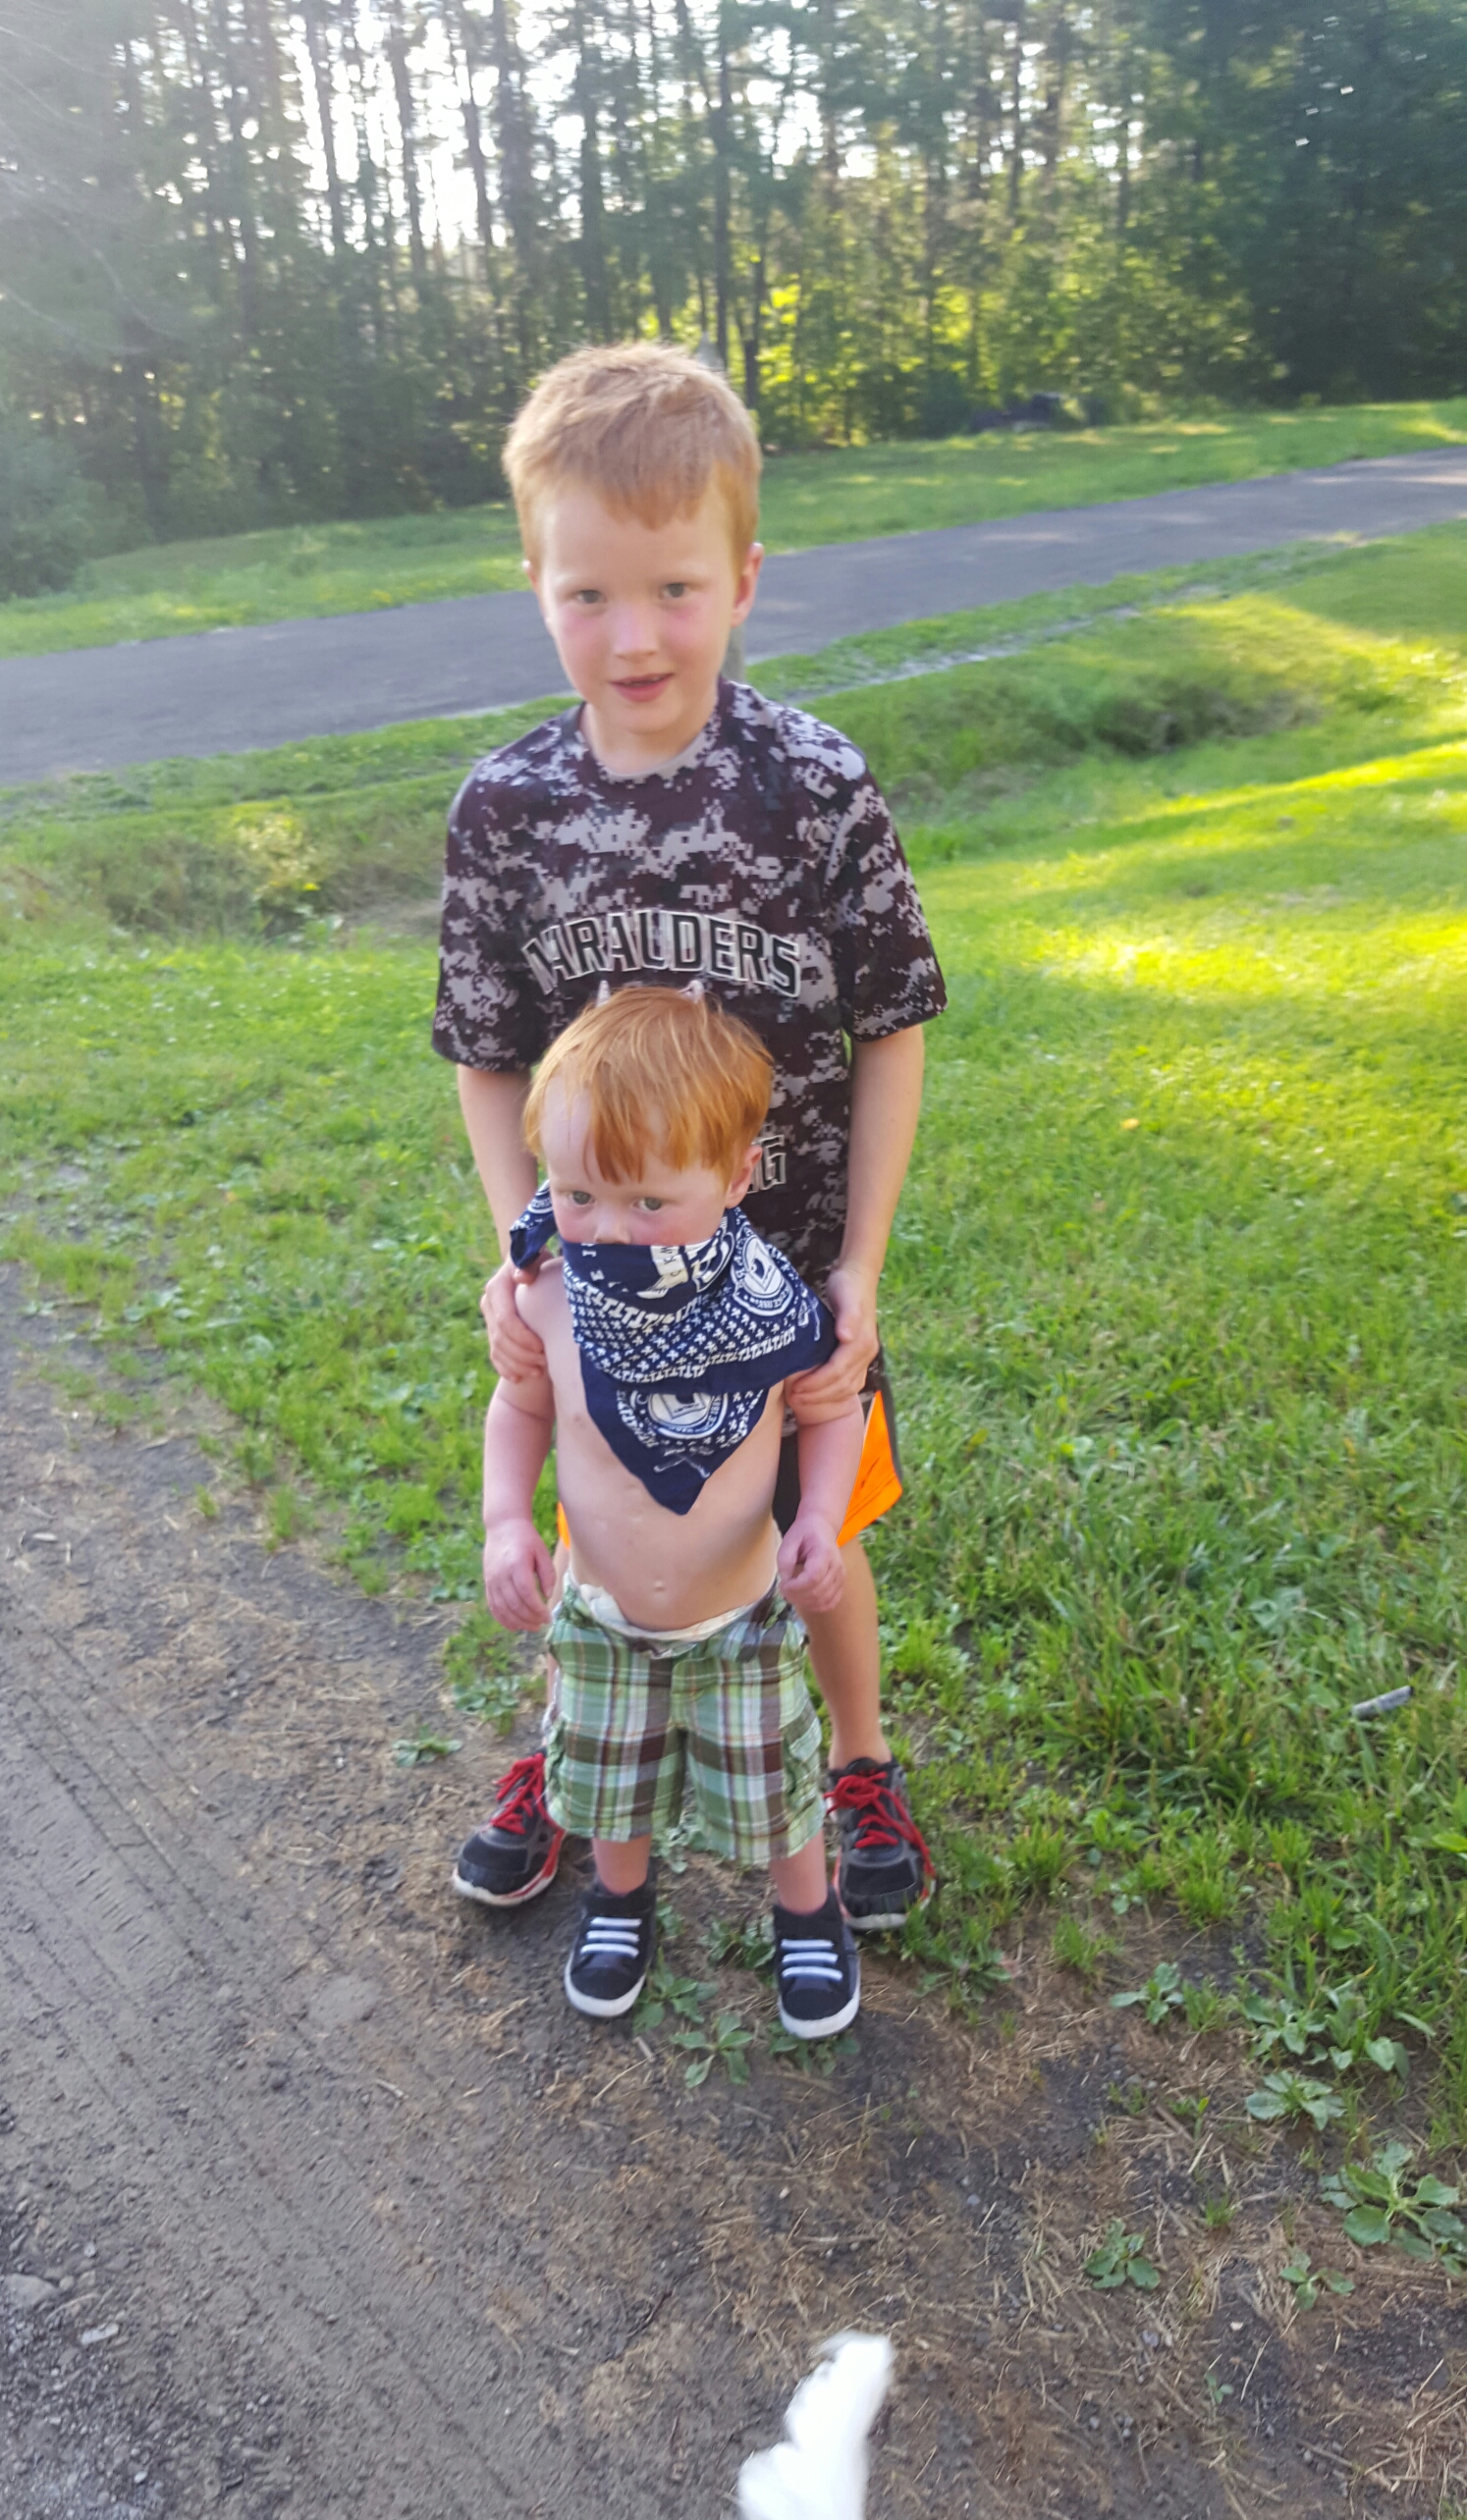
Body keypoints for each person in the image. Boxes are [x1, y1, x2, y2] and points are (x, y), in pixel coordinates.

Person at [435, 340, 946, 1934]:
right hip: (597, 1275)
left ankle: (854, 1763)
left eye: (672, 588)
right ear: (534, 581)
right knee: (596, 1520)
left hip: (781, 1278)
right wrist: (522, 1249)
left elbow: (890, 1030)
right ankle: (575, 1762)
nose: (633, 634)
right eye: (586, 594)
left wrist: (856, 1268)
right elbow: (486, 1058)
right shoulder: (506, 811)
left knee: (813, 1535)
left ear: (742, 578)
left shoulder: (812, 788)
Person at [483, 985, 867, 2033]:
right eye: (577, 1194)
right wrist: (507, 1519)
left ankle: (806, 1910)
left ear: (738, 1176)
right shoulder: (550, 1296)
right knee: (612, 1780)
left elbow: (832, 1413)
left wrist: (819, 1519)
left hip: (741, 1623)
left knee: (774, 1782)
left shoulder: (770, 1307)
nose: (610, 1229)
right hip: (603, 1619)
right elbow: (520, 1408)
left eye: (648, 1202)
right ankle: (620, 1899)